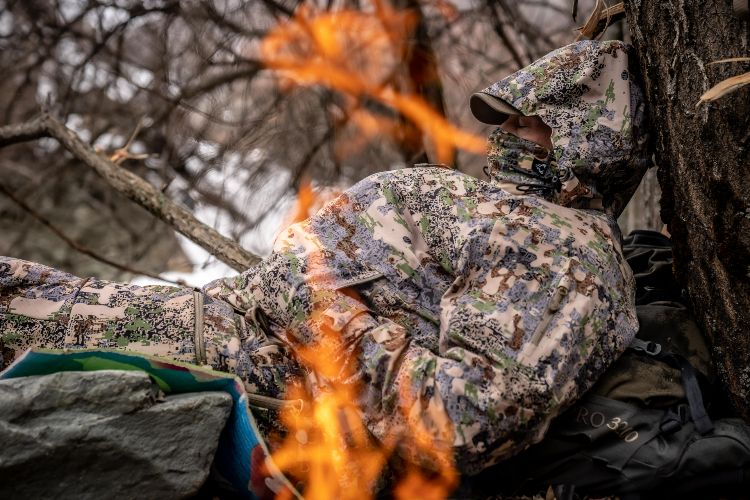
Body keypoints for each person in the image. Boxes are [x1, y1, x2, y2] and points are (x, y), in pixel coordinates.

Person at [0, 39, 649, 475]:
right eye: (504, 121)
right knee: (17, 290)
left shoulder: (574, 261)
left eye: (525, 124)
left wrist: (321, 311)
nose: (502, 136)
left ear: (583, 142)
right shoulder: (531, 219)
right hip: (246, 318)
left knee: (22, 320)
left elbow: (463, 424)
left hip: (265, 369)